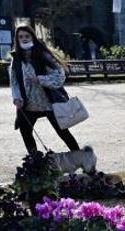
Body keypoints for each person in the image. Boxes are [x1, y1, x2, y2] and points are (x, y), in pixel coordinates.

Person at [9, 25, 80, 155]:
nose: (24, 39)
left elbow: (59, 75)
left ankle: (82, 159)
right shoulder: (16, 58)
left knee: (63, 132)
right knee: (25, 131)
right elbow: (14, 81)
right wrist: (17, 97)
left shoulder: (43, 54)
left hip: (49, 102)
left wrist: (40, 79)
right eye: (20, 37)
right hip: (28, 103)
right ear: (17, 39)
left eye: (27, 36)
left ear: (32, 37)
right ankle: (35, 162)